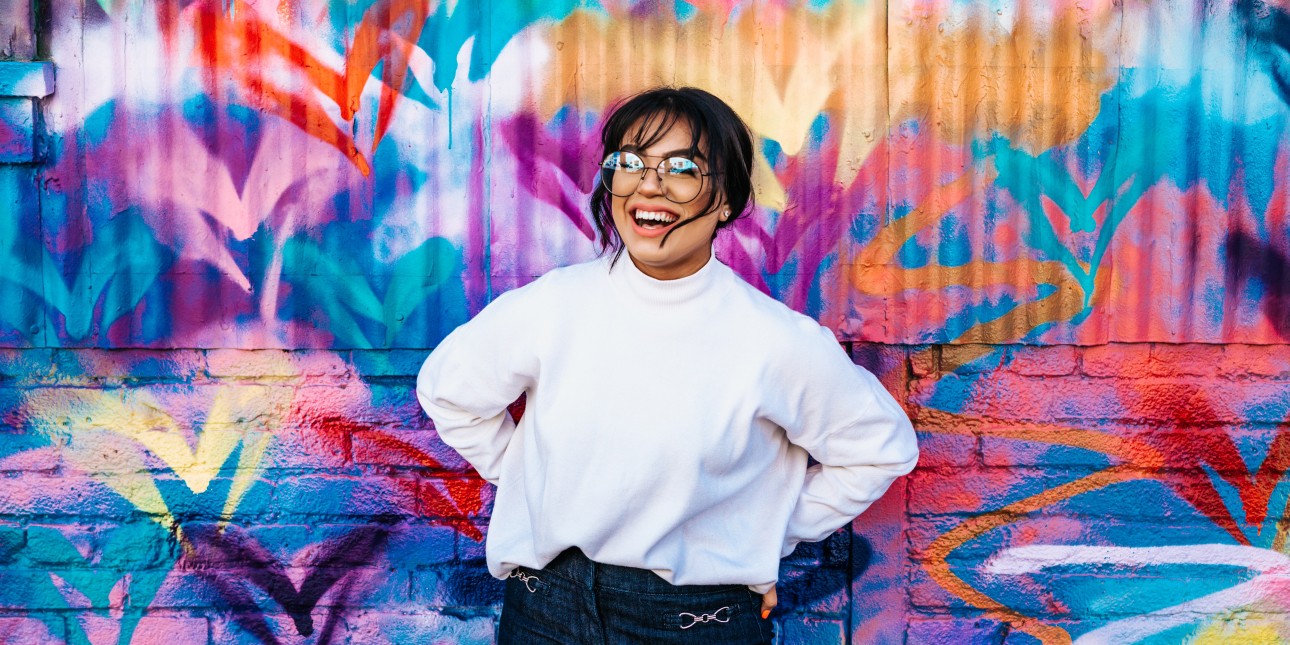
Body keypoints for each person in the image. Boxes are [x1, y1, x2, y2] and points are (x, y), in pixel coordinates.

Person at [416, 86, 918, 644]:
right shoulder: (554, 305)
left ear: (726, 199)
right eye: (629, 163)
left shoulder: (775, 341)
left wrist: (762, 533)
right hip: (543, 611)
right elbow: (450, 392)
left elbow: (879, 450)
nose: (648, 185)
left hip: (695, 623)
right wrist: (532, 482)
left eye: (682, 168)